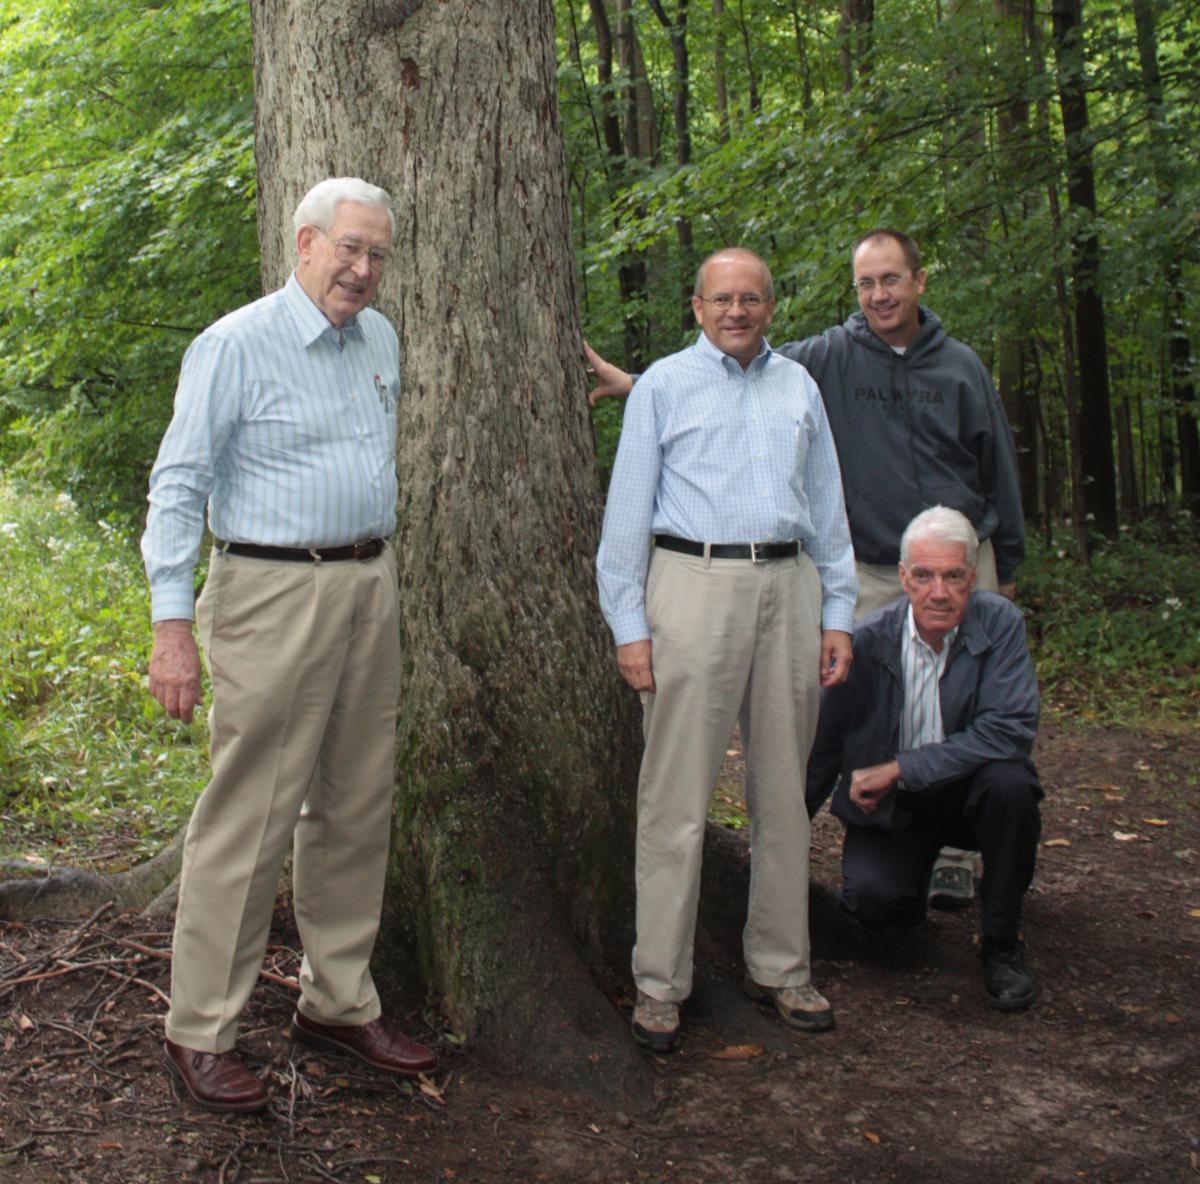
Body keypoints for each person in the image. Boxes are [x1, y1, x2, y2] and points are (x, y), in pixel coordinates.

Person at [587, 227, 1025, 908]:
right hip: (869, 570)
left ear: (919, 282)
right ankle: (866, 840)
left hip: (956, 567)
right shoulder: (830, 358)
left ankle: (959, 853)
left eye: (892, 280)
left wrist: (1009, 563)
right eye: (867, 283)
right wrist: (636, 385)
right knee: (839, 714)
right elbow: (728, 373)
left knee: (960, 702)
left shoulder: (961, 368)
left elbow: (997, 464)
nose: (879, 294)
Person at [142, 177, 436, 1114]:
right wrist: (171, 624)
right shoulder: (235, 344)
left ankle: (338, 1000)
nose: (362, 269)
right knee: (251, 812)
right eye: (348, 248)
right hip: (270, 591)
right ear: (304, 242)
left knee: (355, 799)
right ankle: (200, 1029)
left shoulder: (380, 339)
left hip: (368, 583)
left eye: (378, 254)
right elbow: (178, 483)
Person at [597, 247, 858, 1052]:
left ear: (771, 307)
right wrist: (630, 627)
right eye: (722, 299)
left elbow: (829, 509)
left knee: (784, 793)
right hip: (691, 585)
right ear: (697, 305)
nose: (737, 311)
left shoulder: (799, 389)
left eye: (751, 298)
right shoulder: (665, 388)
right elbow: (624, 521)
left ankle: (780, 967)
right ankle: (659, 981)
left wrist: (838, 611)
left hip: (789, 587)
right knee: (674, 798)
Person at [805, 506, 1042, 1011]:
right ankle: (907, 895)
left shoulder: (1000, 624)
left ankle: (1002, 940)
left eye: (954, 576)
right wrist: (781, 834)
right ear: (903, 578)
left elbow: (1010, 729)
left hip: (972, 794)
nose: (940, 591)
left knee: (1011, 787)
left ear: (972, 579)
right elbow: (825, 747)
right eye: (925, 576)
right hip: (895, 810)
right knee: (873, 905)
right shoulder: (866, 642)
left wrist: (901, 768)